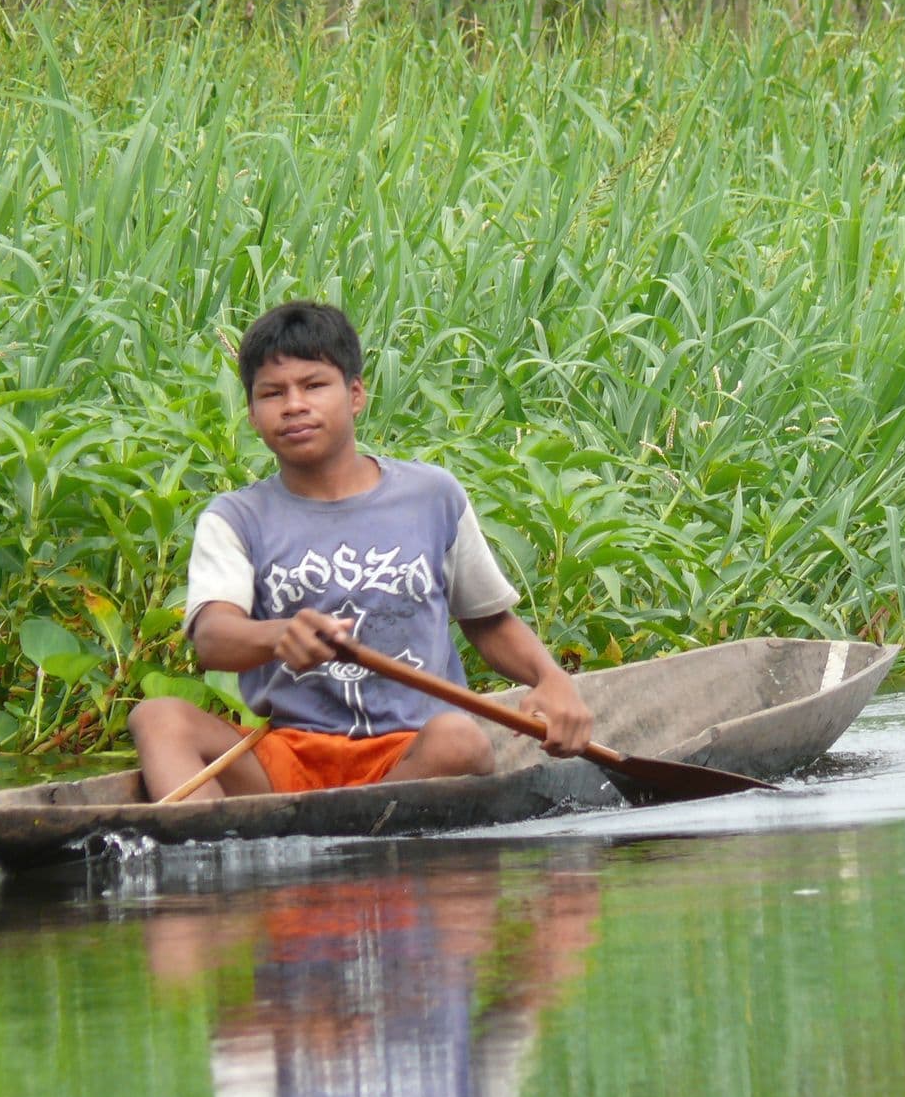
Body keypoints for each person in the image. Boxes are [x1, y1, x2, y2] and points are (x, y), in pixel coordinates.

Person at [129, 300, 593, 802]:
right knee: (157, 717)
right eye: (272, 393)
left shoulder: (432, 496)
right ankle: (209, 855)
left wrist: (551, 678)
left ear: (355, 395)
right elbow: (215, 638)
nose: (294, 405)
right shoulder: (235, 518)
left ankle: (329, 833)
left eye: (313, 385)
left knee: (459, 741)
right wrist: (279, 635)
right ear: (253, 415)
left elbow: (488, 621)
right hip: (290, 755)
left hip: (412, 754)